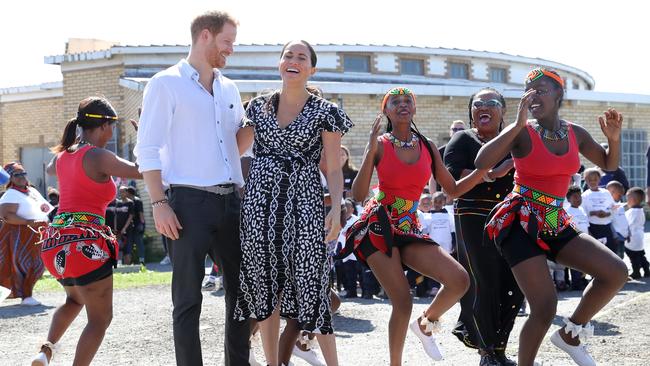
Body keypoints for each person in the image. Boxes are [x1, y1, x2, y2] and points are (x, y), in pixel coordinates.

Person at [476, 68, 628, 366]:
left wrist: (615, 138)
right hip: (519, 220)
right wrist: (517, 123)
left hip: (555, 219)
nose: (533, 95)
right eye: (528, 90)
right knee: (544, 306)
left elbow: (609, 163)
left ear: (559, 94)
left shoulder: (576, 133)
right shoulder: (523, 131)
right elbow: (482, 161)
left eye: (541, 89)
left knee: (616, 271)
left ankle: (571, 334)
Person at [133, 11, 250, 366]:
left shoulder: (229, 87)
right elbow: (147, 149)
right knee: (187, 299)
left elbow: (236, 144)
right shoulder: (165, 84)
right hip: (186, 203)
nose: (230, 50)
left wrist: (264, 119)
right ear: (205, 36)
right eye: (226, 42)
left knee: (242, 295)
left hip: (232, 201)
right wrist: (158, 202)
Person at [339, 86, 486, 365]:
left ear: (414, 109)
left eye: (408, 101)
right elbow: (357, 196)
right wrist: (370, 151)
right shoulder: (380, 144)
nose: (403, 104)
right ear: (386, 110)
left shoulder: (428, 145)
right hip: (379, 226)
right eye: (396, 101)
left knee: (459, 280)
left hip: (409, 226)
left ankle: (426, 322)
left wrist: (482, 172)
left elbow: (451, 189)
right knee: (403, 301)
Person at [234, 40, 353, 366]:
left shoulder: (327, 112)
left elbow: (332, 166)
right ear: (279, 63)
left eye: (302, 57)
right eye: (288, 55)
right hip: (259, 209)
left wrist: (336, 208)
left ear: (311, 68)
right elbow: (229, 150)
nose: (293, 60)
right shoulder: (256, 108)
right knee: (265, 290)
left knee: (313, 288)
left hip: (305, 209)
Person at [31, 96, 142, 366]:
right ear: (103, 126)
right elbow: (142, 171)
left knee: (73, 301)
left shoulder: (63, 155)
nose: (113, 133)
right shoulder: (99, 156)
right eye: (112, 126)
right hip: (85, 245)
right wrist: (145, 138)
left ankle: (44, 352)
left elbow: (55, 169)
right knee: (100, 319)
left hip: (56, 243)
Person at [444, 87, 521, 366]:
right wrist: (493, 173)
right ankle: (486, 351)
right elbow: (452, 177)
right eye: (477, 104)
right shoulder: (463, 139)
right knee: (484, 282)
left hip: (512, 217)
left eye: (490, 103)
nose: (482, 107)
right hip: (474, 216)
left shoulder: (515, 139)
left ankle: (499, 348)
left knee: (515, 283)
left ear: (503, 111)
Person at [0, 162, 51, 307]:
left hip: (36, 233)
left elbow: (44, 209)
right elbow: (6, 216)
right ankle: (27, 296)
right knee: (25, 265)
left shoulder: (31, 191)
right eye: (17, 175)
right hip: (20, 235)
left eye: (23, 173)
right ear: (10, 178)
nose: (22, 177)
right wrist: (28, 222)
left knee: (38, 264)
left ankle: (27, 294)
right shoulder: (11, 194)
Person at [582, 168, 617, 255]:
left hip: (607, 227)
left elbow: (613, 208)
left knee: (610, 253)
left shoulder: (606, 193)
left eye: (595, 179)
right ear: (585, 180)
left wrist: (607, 213)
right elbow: (582, 214)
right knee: (597, 254)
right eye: (590, 180)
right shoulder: (584, 196)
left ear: (599, 179)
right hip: (593, 228)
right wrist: (593, 213)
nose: (593, 182)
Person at [564, 186, 589, 291]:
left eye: (580, 196)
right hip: (575, 241)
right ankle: (576, 283)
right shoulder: (567, 211)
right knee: (575, 264)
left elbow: (586, 226)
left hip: (585, 241)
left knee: (584, 263)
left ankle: (582, 280)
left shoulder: (582, 210)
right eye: (575, 197)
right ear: (569, 199)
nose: (578, 199)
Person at [105, 186, 134, 265]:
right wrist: (115, 228)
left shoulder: (130, 203)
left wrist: (124, 228)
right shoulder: (118, 203)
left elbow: (130, 216)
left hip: (127, 230)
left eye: (123, 191)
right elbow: (115, 216)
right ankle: (118, 264)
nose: (121, 193)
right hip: (117, 230)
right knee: (118, 247)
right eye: (120, 192)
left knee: (127, 248)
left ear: (126, 192)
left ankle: (128, 265)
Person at [624, 187, 649, 279]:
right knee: (640, 254)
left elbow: (627, 224)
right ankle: (647, 270)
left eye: (627, 199)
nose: (626, 201)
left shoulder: (631, 212)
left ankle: (636, 271)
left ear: (633, 200)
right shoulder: (641, 211)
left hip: (632, 237)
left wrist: (626, 234)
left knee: (633, 255)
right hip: (640, 236)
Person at [606, 180, 628, 259]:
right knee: (616, 257)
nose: (621, 196)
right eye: (619, 195)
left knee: (621, 256)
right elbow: (609, 222)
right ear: (611, 192)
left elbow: (624, 220)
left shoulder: (620, 205)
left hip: (623, 235)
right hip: (616, 236)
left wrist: (628, 233)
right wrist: (614, 236)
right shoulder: (608, 206)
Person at [124, 186, 146, 264]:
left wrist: (142, 225)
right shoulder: (129, 201)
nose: (125, 193)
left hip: (137, 226)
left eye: (126, 191)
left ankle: (142, 262)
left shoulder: (137, 201)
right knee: (129, 244)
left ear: (129, 192)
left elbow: (141, 214)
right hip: (130, 227)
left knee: (139, 244)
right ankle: (128, 262)